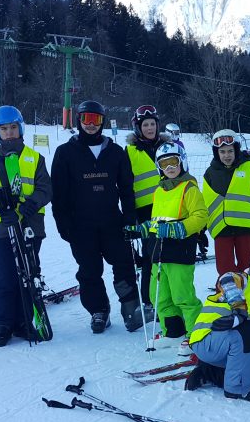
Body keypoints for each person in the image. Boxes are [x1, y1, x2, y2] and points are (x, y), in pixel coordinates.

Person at [50, 100, 142, 333]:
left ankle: (130, 307)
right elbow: (58, 193)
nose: (91, 125)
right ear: (79, 121)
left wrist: (130, 218)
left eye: (96, 120)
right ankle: (99, 310)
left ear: (102, 122)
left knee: (123, 264)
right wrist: (63, 224)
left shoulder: (115, 152)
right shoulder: (65, 153)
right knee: (89, 270)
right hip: (81, 225)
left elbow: (126, 188)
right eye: (86, 119)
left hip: (112, 221)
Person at [0, 106, 52, 346]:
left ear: (20, 128)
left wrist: (32, 204)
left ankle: (24, 321)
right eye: (3, 129)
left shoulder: (34, 158)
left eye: (12, 128)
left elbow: (45, 189)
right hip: (0, 227)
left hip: (30, 225)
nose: (9, 133)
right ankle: (4, 322)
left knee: (28, 274)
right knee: (4, 276)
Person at [127, 142, 207, 355]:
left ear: (182, 162)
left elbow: (200, 217)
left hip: (180, 251)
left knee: (183, 295)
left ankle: (195, 333)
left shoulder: (189, 188)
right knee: (159, 295)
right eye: (164, 163)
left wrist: (178, 228)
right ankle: (173, 331)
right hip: (157, 252)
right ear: (158, 167)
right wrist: (140, 230)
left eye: (173, 162)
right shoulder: (159, 191)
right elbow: (156, 221)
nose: (169, 167)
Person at [185, 246, 250, 403]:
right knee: (247, 331)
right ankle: (240, 389)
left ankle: (208, 371)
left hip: (229, 345)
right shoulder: (244, 281)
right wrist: (239, 311)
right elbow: (226, 278)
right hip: (207, 339)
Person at [202, 129, 250, 275]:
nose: (227, 155)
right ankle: (230, 292)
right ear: (216, 153)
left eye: (230, 151)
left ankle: (249, 294)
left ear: (236, 150)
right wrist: (200, 230)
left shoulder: (249, 168)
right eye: (222, 152)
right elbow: (205, 201)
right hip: (221, 228)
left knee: (247, 266)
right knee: (224, 269)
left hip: (245, 227)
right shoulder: (210, 173)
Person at [125, 105, 172, 318]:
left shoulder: (169, 147)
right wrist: (130, 215)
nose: (150, 128)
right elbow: (124, 186)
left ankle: (169, 297)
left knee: (170, 254)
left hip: (170, 207)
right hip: (145, 211)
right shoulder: (130, 152)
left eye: (153, 124)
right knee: (151, 256)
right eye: (146, 125)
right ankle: (148, 299)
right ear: (138, 127)